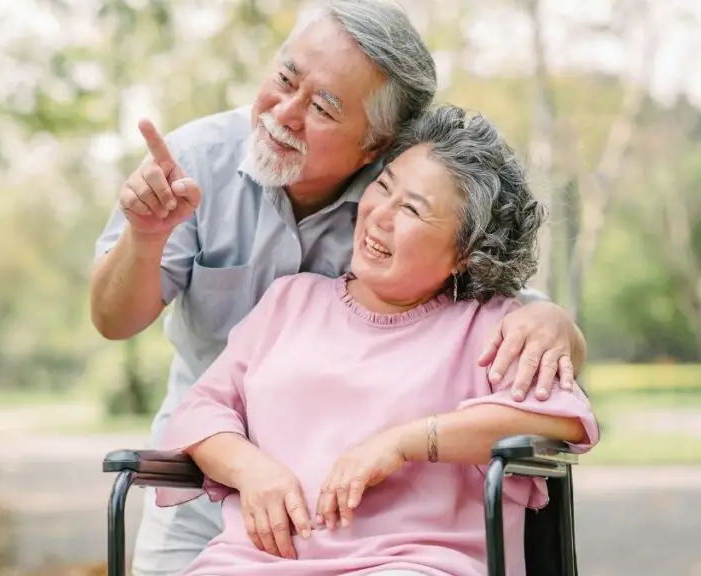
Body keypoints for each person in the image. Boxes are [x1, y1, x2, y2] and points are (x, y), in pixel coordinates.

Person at [90, 1, 588, 573]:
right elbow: (120, 329)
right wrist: (145, 237)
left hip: (399, 549)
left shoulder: (435, 244)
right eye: (284, 78)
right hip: (216, 485)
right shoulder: (204, 171)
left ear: (376, 148)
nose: (285, 112)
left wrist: (552, 321)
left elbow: (523, 346)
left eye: (324, 107)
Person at [155, 103, 600, 576]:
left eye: (412, 209)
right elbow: (200, 410)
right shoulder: (289, 302)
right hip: (253, 562)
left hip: (414, 563)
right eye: (384, 187)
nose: (380, 215)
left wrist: (405, 443)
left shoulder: (493, 328)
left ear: (466, 253)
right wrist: (250, 469)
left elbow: (563, 422)